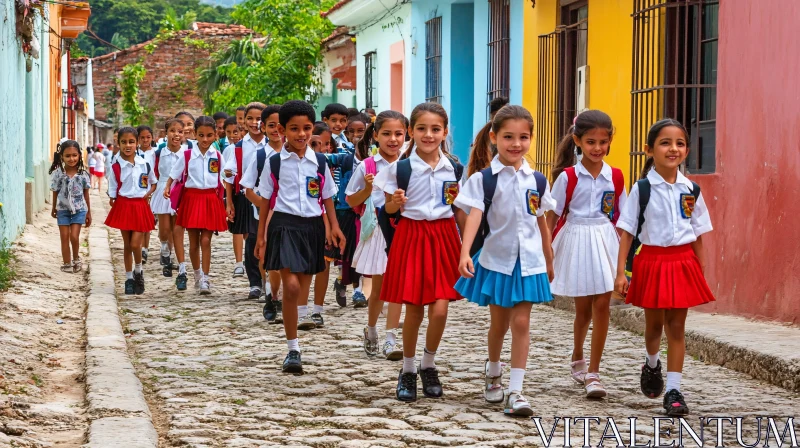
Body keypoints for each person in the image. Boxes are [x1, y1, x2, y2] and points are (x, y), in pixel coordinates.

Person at [454, 105, 555, 416]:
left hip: (530, 262)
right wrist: (464, 252)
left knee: (522, 322)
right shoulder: (484, 179)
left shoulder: (537, 180)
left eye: (523, 137)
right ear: (494, 138)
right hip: (498, 261)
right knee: (499, 325)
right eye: (509, 137)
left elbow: (541, 222)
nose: (516, 144)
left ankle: (516, 391)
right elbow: (474, 216)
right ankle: (493, 370)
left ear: (531, 139)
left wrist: (550, 260)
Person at [615, 118, 714, 416]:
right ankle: (652, 362)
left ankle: (674, 391)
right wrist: (621, 272)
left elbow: (698, 233)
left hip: (682, 262)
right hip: (652, 262)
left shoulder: (692, 190)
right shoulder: (642, 189)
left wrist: (701, 268)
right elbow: (627, 232)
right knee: (654, 325)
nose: (673, 149)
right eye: (665, 143)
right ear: (649, 150)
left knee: (677, 327)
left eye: (680, 143)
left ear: (686, 150)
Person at [374, 102, 466, 402]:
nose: (429, 135)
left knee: (440, 308)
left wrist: (467, 247)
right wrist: (395, 202)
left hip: (443, 237)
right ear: (412, 131)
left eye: (435, 129)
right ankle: (408, 369)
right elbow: (386, 209)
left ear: (445, 132)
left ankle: (429, 363)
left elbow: (458, 208)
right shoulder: (399, 168)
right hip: (412, 236)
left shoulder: (453, 167)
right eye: (422, 129)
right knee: (413, 307)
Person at [255, 100, 345, 374]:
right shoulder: (274, 163)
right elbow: (266, 201)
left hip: (312, 228)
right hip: (283, 226)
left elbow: (327, 196)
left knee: (302, 286)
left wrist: (333, 226)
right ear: (282, 130)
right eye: (294, 129)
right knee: (291, 287)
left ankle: (297, 332)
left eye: (306, 128)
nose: (301, 134)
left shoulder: (319, 161)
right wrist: (261, 237)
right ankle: (292, 348)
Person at [545, 110, 626, 399]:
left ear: (610, 142)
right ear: (577, 141)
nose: (597, 148)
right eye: (591, 142)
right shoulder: (567, 177)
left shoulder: (615, 176)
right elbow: (553, 216)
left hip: (605, 240)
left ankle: (594, 372)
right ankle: (577, 352)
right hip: (577, 240)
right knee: (583, 309)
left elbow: (621, 217)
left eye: (603, 142)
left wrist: (622, 262)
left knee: (602, 304)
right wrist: (547, 253)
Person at [347, 110, 407, 360]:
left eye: (398, 134)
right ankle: (372, 329)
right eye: (387, 134)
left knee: (399, 287)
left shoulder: (410, 163)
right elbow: (351, 199)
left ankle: (391, 339)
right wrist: (369, 188)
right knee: (381, 288)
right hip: (380, 231)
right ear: (376, 136)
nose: (393, 139)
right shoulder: (367, 166)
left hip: (405, 228)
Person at [164, 116, 227, 294]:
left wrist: (229, 201)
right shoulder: (187, 155)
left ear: (215, 135)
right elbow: (175, 173)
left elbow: (225, 178)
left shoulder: (218, 156)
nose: (205, 139)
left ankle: (206, 279)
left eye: (209, 135)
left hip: (210, 200)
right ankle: (197, 274)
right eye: (201, 135)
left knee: (206, 240)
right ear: (194, 134)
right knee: (193, 242)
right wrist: (167, 186)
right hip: (191, 199)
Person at [242, 105, 284, 320]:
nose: (275, 130)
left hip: (291, 215)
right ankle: (270, 291)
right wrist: (264, 205)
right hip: (264, 216)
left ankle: (282, 295)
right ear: (263, 127)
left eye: (279, 125)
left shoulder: (296, 152)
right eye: (270, 125)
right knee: (266, 255)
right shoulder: (260, 156)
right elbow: (247, 189)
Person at [105, 127, 157, 295]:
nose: (128, 145)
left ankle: (138, 271)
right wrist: (113, 199)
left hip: (140, 206)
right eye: (124, 142)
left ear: (137, 143)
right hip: (124, 205)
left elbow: (153, 182)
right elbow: (112, 186)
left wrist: (148, 194)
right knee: (127, 245)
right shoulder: (115, 166)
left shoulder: (144, 163)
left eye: (131, 142)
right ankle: (128, 278)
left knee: (136, 243)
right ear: (118, 143)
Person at [223, 102, 266, 280]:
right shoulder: (238, 148)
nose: (255, 122)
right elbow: (229, 178)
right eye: (250, 118)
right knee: (251, 238)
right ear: (244, 121)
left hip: (268, 197)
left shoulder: (273, 144)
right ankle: (254, 281)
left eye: (259, 119)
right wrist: (229, 203)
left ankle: (268, 279)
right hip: (246, 197)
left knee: (265, 239)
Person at [50, 139, 92, 273]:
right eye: (67, 156)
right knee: (64, 236)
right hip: (62, 210)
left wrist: (88, 212)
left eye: (74, 155)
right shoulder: (58, 174)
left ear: (79, 155)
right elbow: (55, 191)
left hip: (79, 210)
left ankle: (76, 259)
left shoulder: (83, 174)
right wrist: (53, 207)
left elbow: (86, 194)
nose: (71, 158)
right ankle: (67, 263)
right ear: (61, 156)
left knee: (74, 236)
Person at [151, 119, 186, 278]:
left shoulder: (186, 153)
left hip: (180, 190)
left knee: (176, 228)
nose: (176, 135)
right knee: (165, 228)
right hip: (163, 189)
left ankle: (171, 258)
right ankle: (165, 247)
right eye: (173, 131)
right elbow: (152, 173)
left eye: (180, 131)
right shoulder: (158, 152)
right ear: (166, 133)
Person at [137, 124, 156, 262]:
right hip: (136, 191)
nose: (145, 140)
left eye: (148, 137)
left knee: (147, 221)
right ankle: (137, 246)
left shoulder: (155, 153)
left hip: (151, 190)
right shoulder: (133, 153)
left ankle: (145, 248)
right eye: (142, 137)